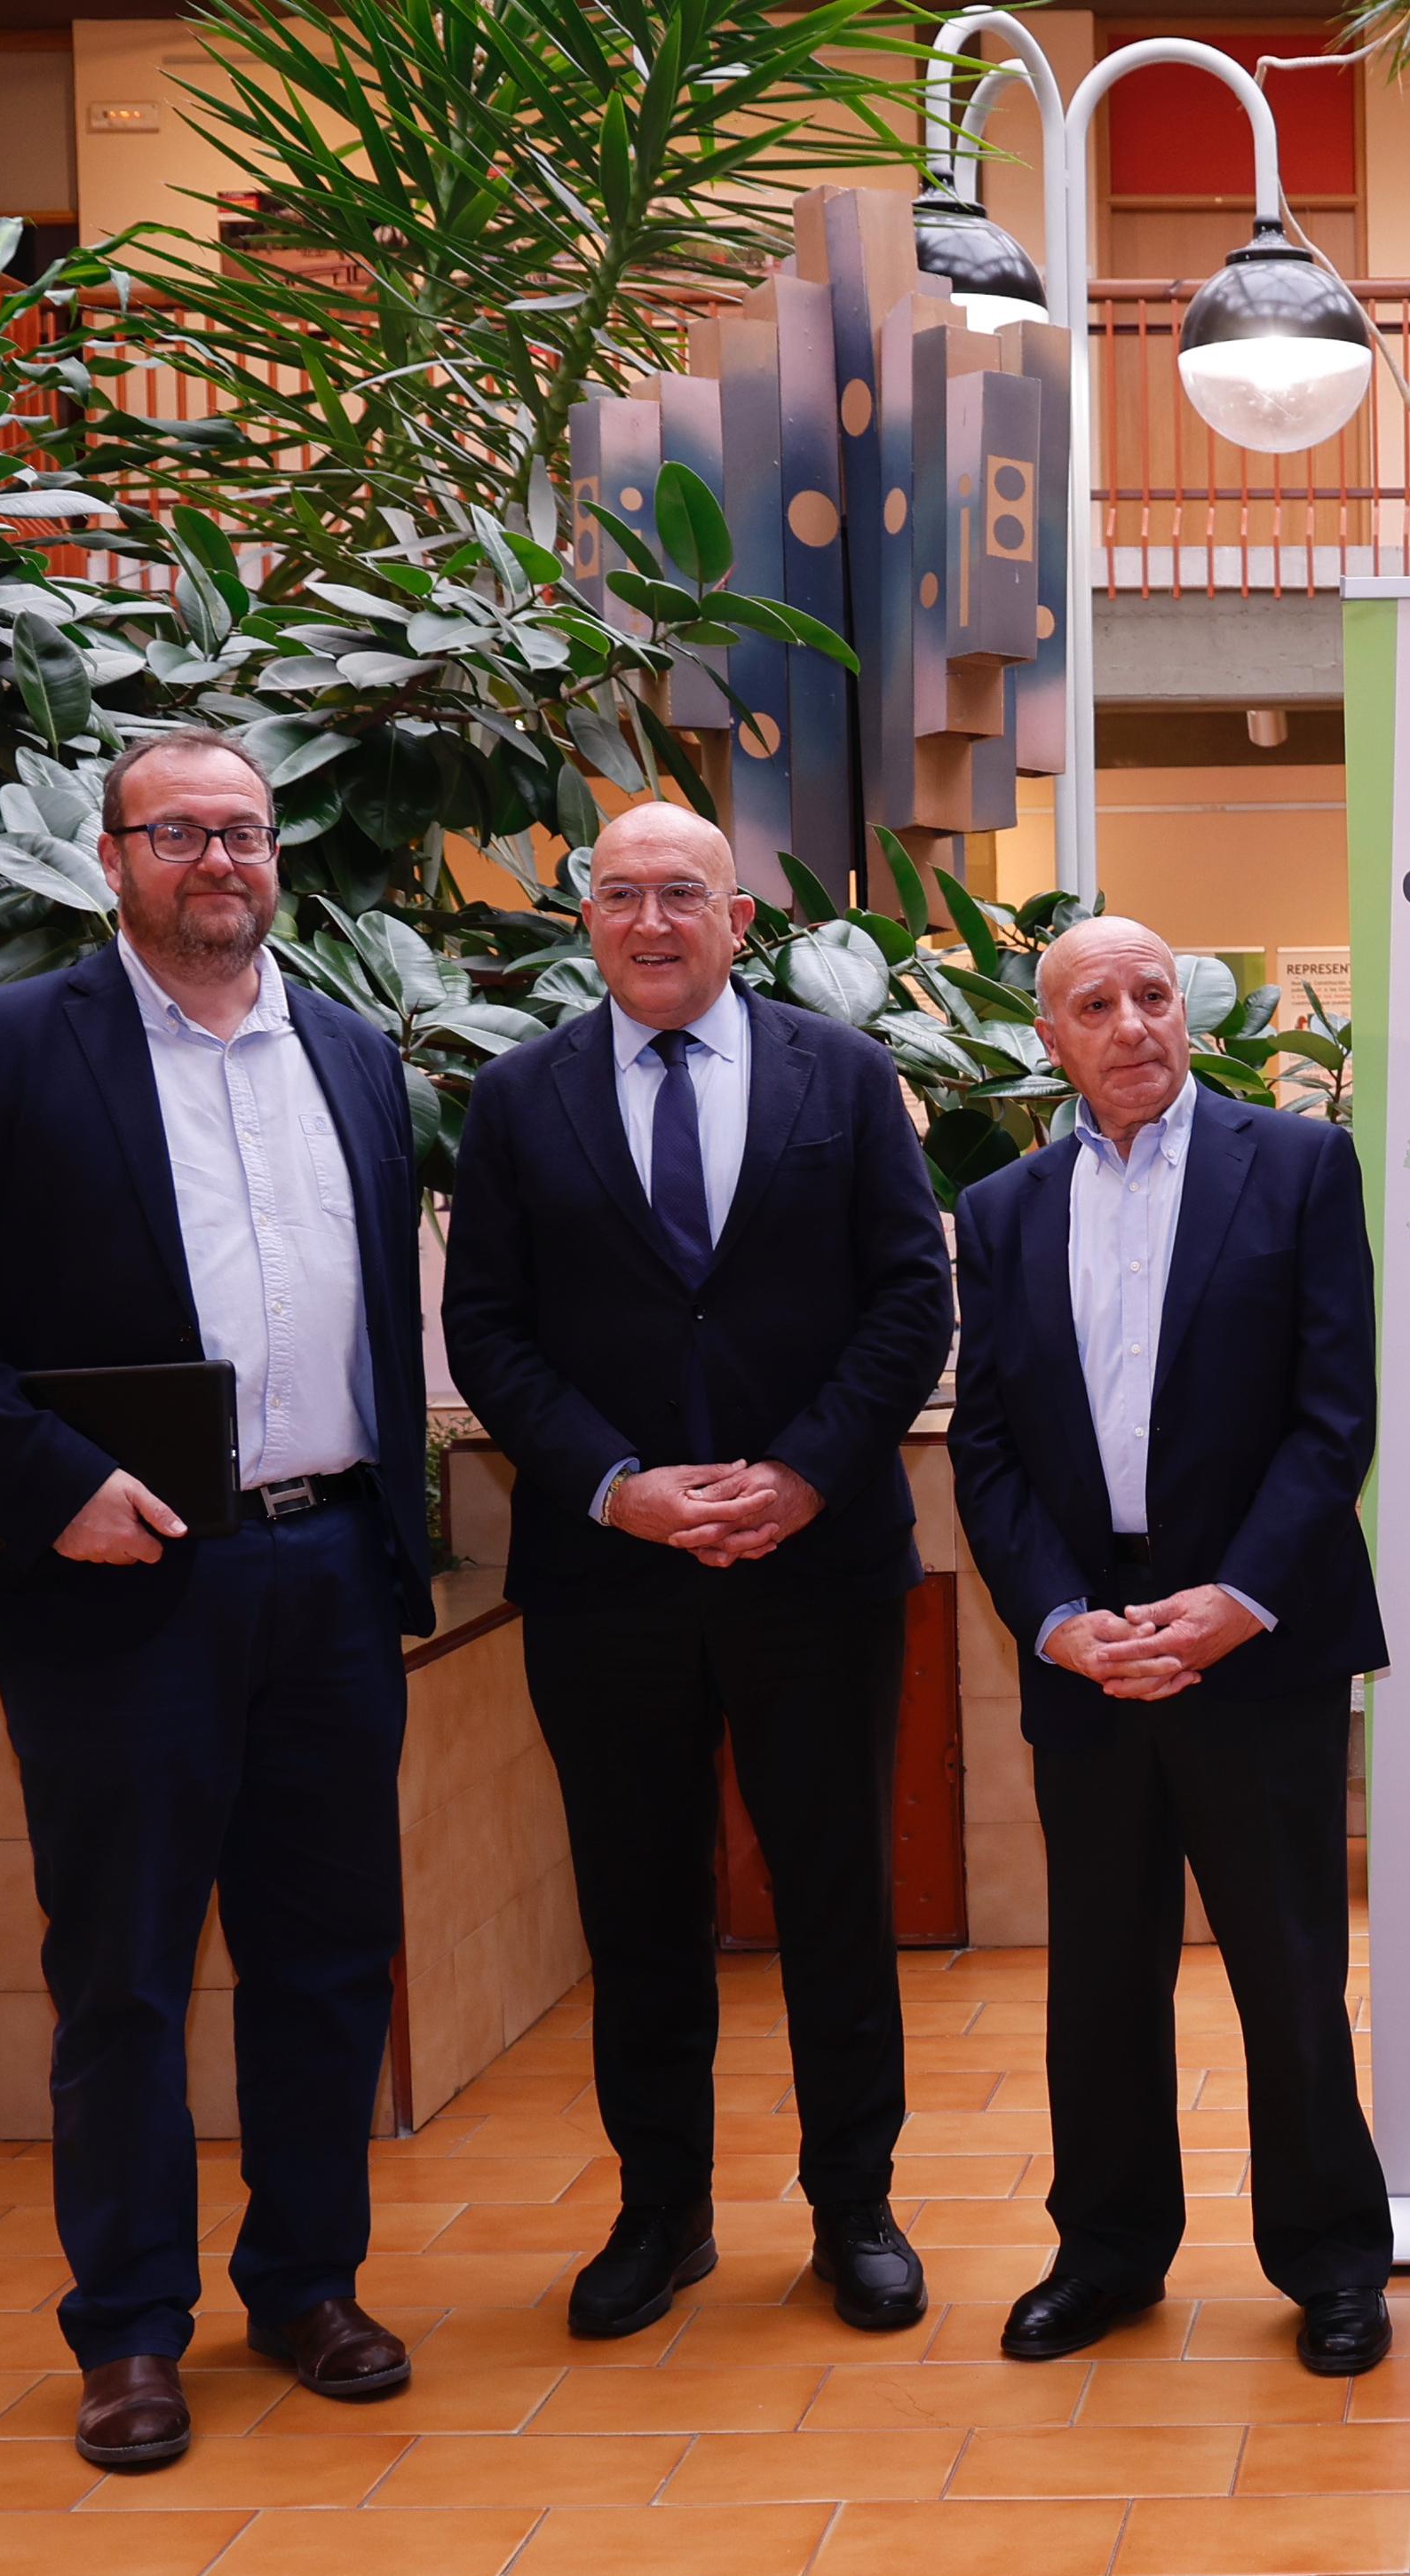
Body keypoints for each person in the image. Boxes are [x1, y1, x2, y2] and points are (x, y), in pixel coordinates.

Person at [0, 728, 431, 2472]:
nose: (218, 861)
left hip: (330, 1568)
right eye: (178, 833)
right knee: (123, 1973)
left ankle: (308, 2283)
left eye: (244, 831)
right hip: (124, 1583)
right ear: (110, 860)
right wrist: (53, 1488)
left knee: (328, 1957)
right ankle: (128, 2330)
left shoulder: (353, 1050)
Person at [442, 802, 955, 2341]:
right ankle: (660, 2211)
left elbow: (908, 1299)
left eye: (682, 893)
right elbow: (489, 1331)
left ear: (739, 922)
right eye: (620, 895)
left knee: (837, 1894)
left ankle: (855, 2206)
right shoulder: (517, 1097)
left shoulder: (843, 1074)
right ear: (586, 921)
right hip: (610, 1579)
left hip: (818, 1564)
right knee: (638, 1904)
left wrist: (800, 1473)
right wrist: (620, 1488)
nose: (650, 921)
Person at [947, 916, 1396, 2377]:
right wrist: (1059, 1619)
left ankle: (1332, 2261)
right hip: (1090, 1642)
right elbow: (988, 1444)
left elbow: (1334, 1413)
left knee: (1287, 1969)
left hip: (1256, 1635)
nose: (1132, 1022)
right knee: (1098, 1972)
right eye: (1096, 1002)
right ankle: (1106, 2251)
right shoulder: (1001, 1209)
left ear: (1188, 1017)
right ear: (1051, 1038)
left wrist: (1237, 1598)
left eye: (1154, 994)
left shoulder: (1300, 1166)